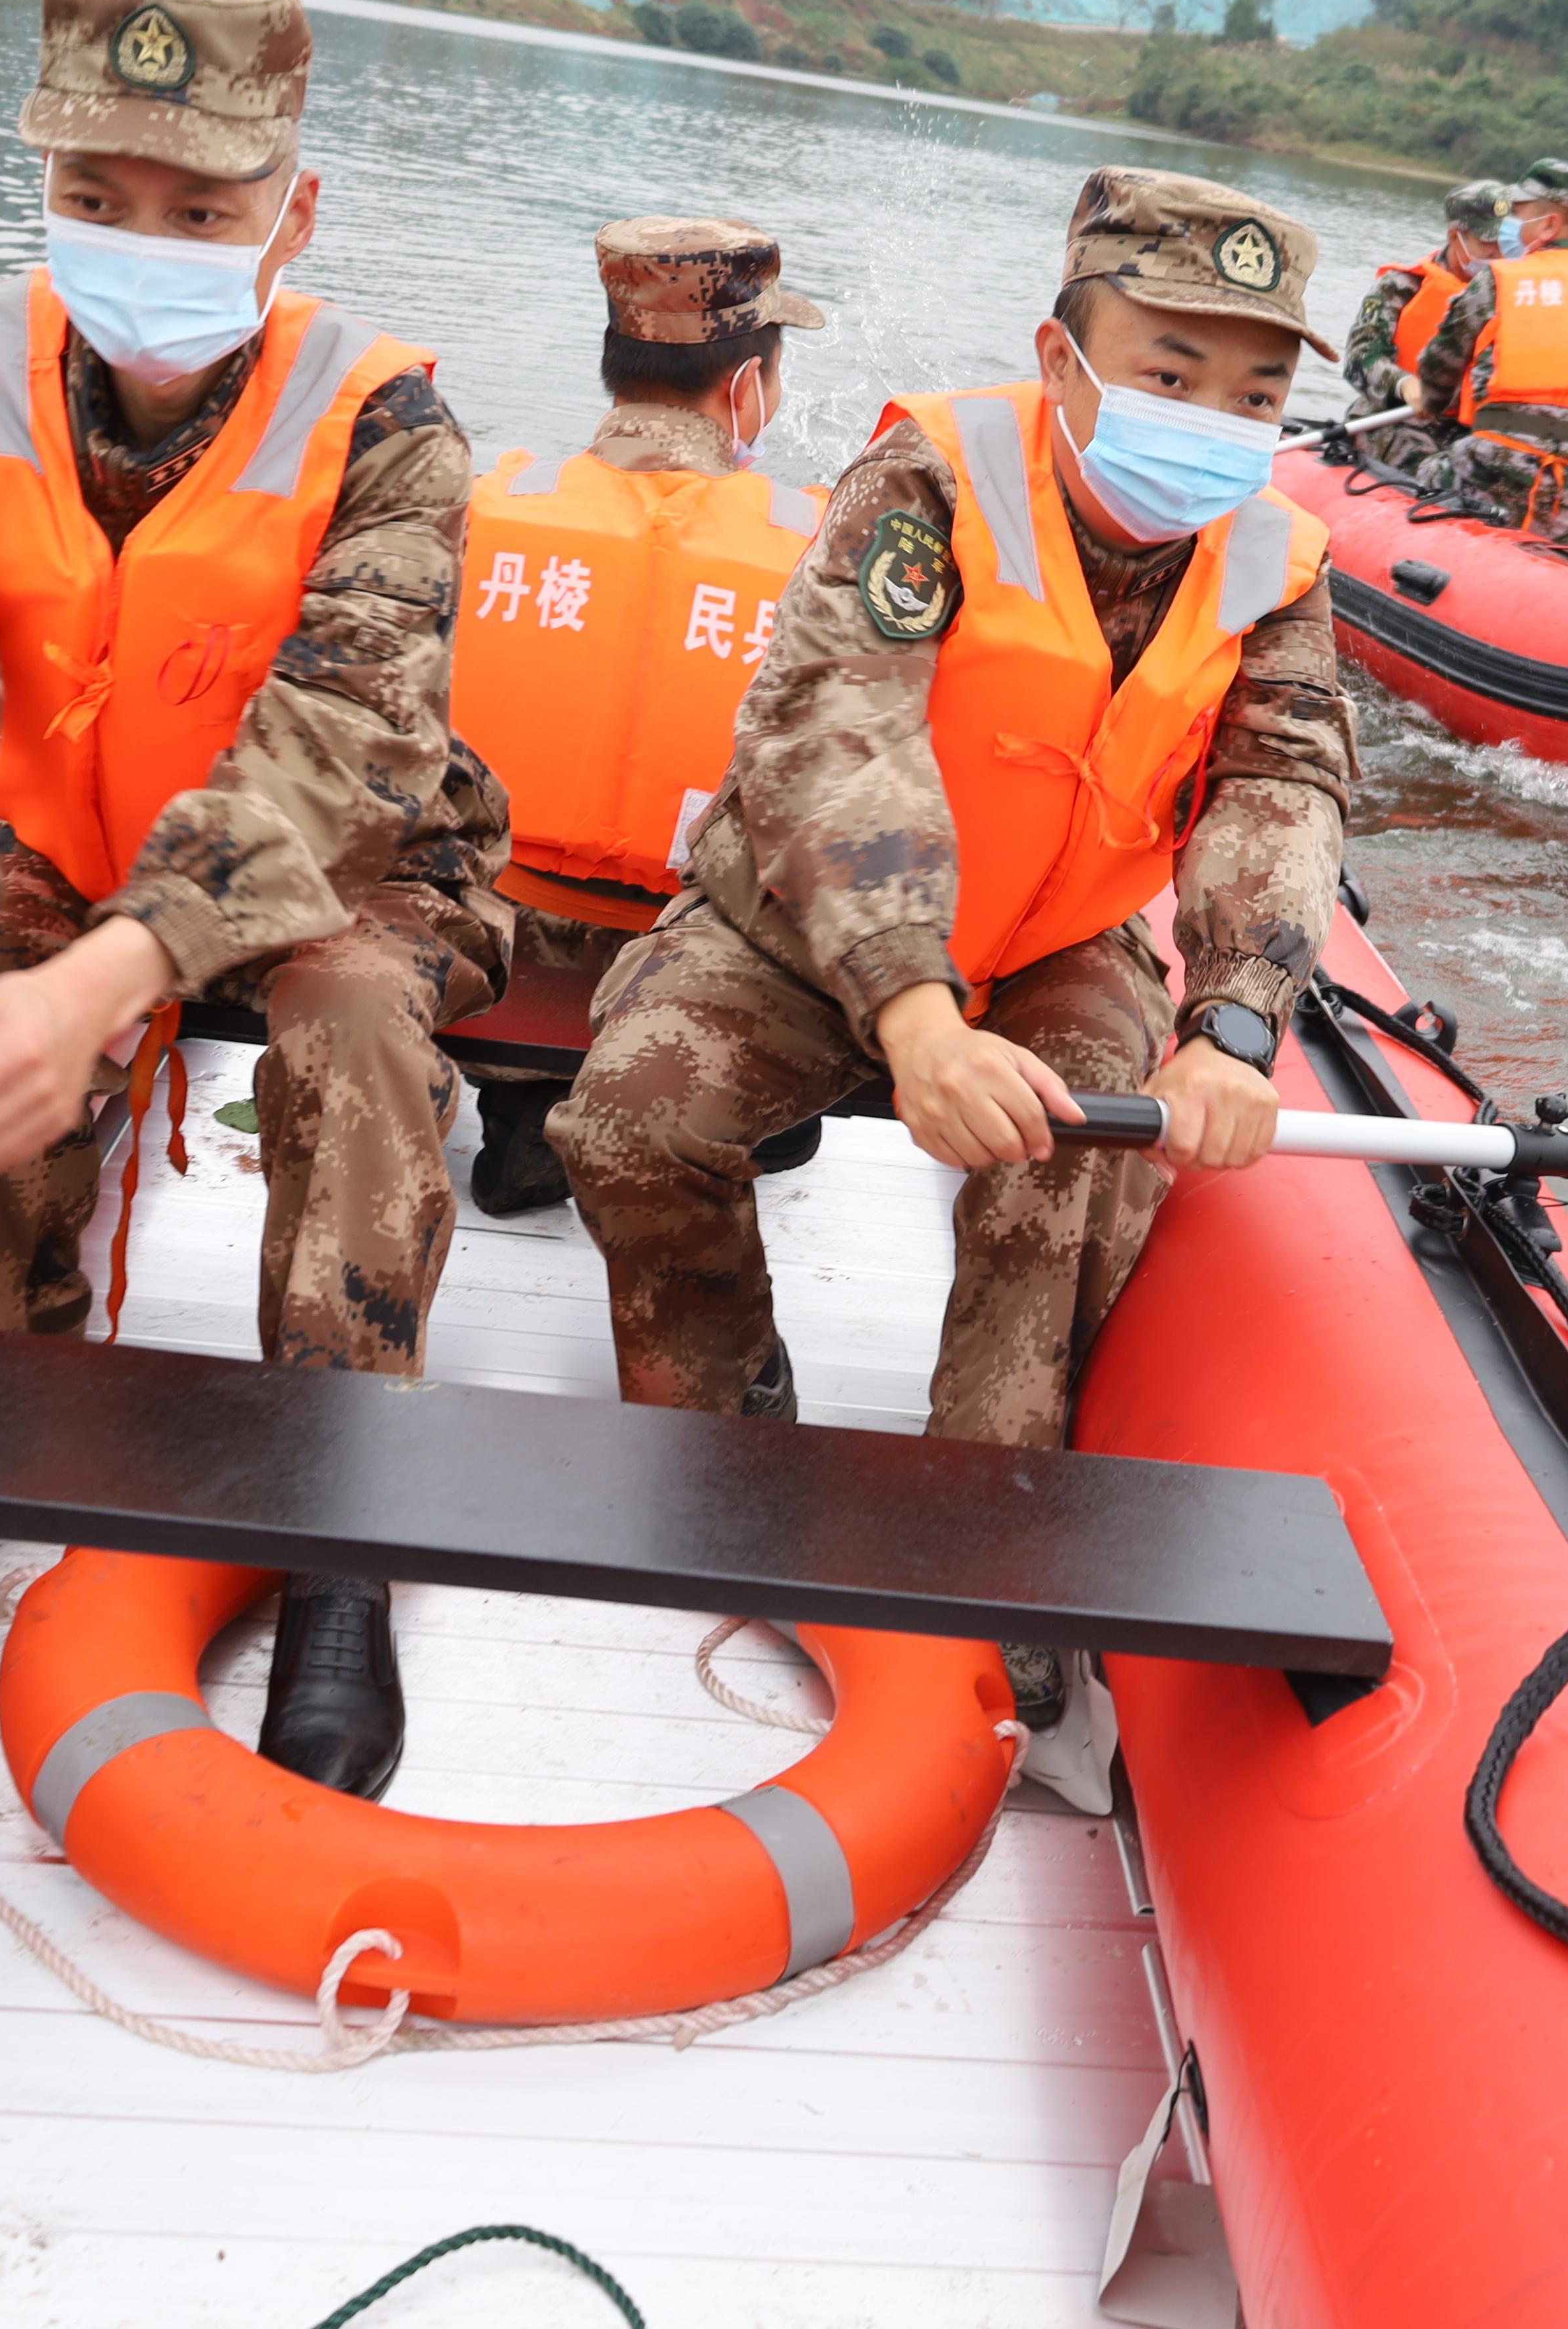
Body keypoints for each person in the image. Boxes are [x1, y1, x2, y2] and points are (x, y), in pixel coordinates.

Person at [0, 0, 513, 1801]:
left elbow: (344, 735)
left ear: (294, 208)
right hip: (59, 834)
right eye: (92, 195)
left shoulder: (393, 420)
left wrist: (103, 988)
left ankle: (338, 1504)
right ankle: (0, 1398)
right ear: (37, 180)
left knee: (357, 1018)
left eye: (202, 206)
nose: (143, 236)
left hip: (341, 853)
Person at [552, 169, 1357, 1730]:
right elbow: (837, 733)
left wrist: (1239, 1018)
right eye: (1168, 374)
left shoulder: (1274, 562)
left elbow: (1280, 783)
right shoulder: (926, 483)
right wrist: (912, 1012)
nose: (1211, 416)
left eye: (1252, 391)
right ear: (1063, 364)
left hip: (1056, 940)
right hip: (812, 926)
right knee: (630, 1117)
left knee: (1063, 1167)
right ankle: (722, 1422)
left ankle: (982, 1531)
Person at [448, 217, 827, 1217]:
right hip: (684, 958)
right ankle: (728, 1118)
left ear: (615, 365)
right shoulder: (820, 552)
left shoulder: (485, 503)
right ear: (747, 387)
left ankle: (526, 1111)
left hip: (501, 939)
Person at [1414, 157, 1568, 543]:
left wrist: (1435, 404)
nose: (1507, 224)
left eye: (1517, 213)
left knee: (1425, 468)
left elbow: (1436, 375)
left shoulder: (1500, 279)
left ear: (1549, 225)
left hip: (1493, 476)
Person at [1338, 176, 1509, 475]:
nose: (1499, 252)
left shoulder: (1516, 298)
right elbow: (1360, 359)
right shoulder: (1401, 287)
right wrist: (1405, 386)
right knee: (1420, 461)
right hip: (1397, 419)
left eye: (1506, 242)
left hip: (1470, 434)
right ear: (1456, 236)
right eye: (1488, 243)